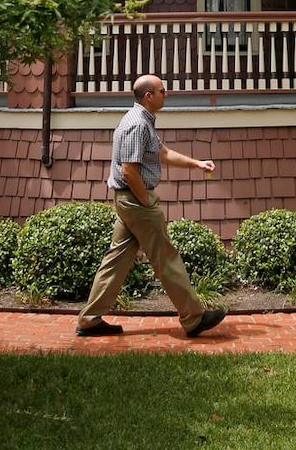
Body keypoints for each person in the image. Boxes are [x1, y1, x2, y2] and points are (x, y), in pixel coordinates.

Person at [76, 73, 228, 338]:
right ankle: (194, 318)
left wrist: (197, 164)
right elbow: (129, 170)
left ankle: (90, 319)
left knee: (116, 259)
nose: (165, 94)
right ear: (148, 96)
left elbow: (164, 152)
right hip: (136, 200)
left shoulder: (142, 121)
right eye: (162, 90)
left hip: (128, 201)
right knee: (166, 257)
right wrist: (145, 201)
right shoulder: (136, 124)